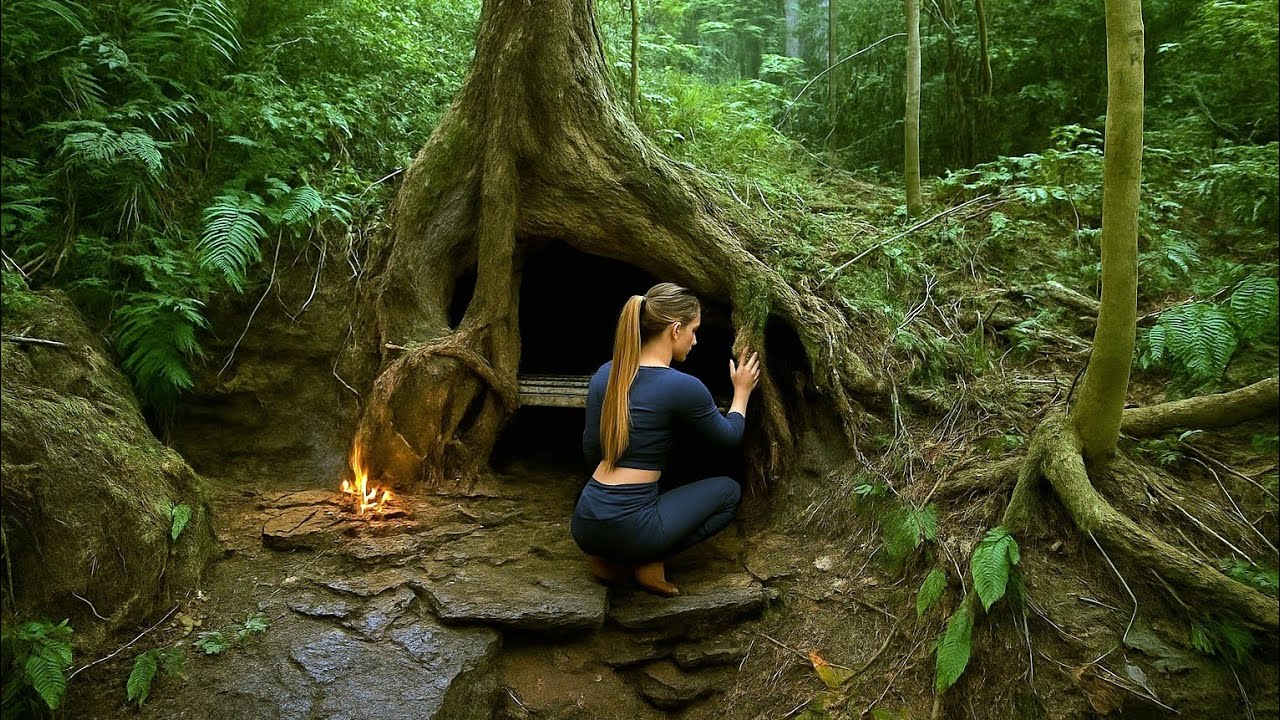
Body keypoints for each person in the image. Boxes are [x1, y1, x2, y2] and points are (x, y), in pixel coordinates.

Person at [571, 282, 760, 596]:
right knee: (728, 492)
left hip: (586, 521)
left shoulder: (606, 373)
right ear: (675, 330)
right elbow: (728, 437)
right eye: (694, 330)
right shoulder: (682, 386)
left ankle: (607, 559)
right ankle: (645, 559)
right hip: (633, 528)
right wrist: (742, 392)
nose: (695, 340)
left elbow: (591, 449)